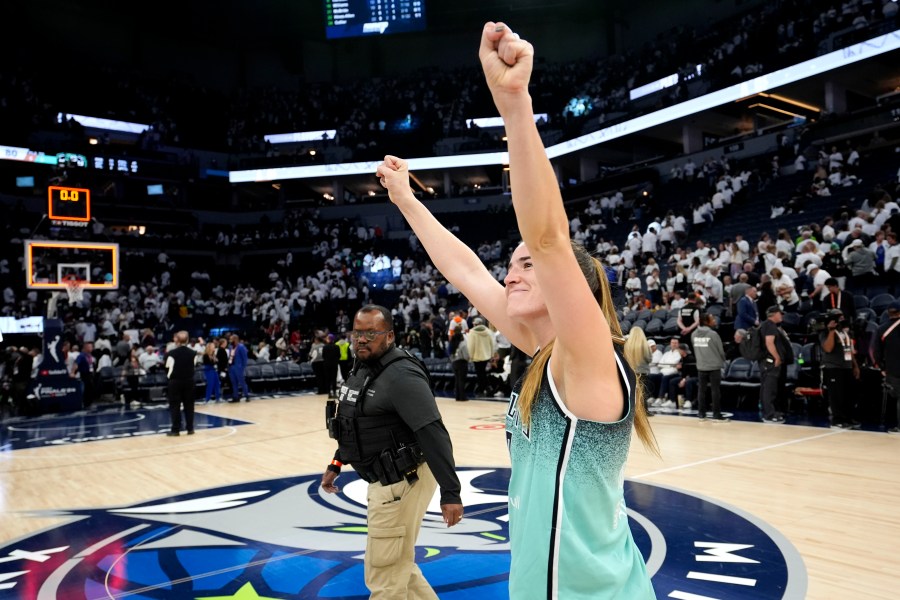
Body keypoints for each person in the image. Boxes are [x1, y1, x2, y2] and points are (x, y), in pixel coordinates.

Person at [376, 22, 657, 598]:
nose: (512, 270)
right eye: (513, 262)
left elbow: (550, 236)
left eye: (527, 265)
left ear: (569, 286)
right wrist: (405, 199)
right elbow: (464, 270)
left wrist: (514, 105)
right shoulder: (543, 354)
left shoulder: (589, 363)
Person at [320, 305, 463, 598]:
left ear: (389, 336)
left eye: (370, 333)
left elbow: (433, 432)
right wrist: (337, 462)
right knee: (398, 565)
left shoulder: (401, 375)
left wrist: (451, 492)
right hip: (386, 479)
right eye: (357, 333)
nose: (361, 339)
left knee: (384, 575)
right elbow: (354, 424)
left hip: (400, 482)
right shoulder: (362, 366)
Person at [819, 308, 860, 429]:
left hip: (846, 367)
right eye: (838, 317)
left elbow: (849, 350)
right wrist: (831, 330)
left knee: (848, 394)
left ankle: (847, 418)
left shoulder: (845, 332)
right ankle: (837, 420)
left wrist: (855, 365)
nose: (842, 318)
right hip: (833, 367)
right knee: (836, 395)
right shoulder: (824, 333)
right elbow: (828, 348)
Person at [759, 306, 793, 423]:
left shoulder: (767, 325)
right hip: (770, 361)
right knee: (770, 388)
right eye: (780, 313)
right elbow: (769, 343)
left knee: (769, 387)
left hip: (767, 361)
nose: (781, 316)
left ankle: (769, 412)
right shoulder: (769, 325)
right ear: (773, 314)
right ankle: (769, 414)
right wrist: (777, 357)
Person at [691, 314, 728, 421]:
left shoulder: (693, 334)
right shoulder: (713, 334)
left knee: (701, 390)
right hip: (714, 366)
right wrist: (723, 359)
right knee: (715, 390)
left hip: (701, 366)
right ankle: (716, 414)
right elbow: (721, 351)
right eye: (712, 319)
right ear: (706, 322)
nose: (715, 320)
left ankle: (701, 414)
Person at [872, 301, 900, 433]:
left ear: (888, 314)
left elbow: (875, 351)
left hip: (893, 369)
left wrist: (882, 368)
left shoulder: (881, 329)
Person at [165, 331, 197, 436]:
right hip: (189, 381)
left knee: (175, 406)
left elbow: (167, 367)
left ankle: (175, 430)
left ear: (177, 340)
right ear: (187, 340)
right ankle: (190, 428)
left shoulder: (171, 353)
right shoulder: (193, 353)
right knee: (189, 405)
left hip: (175, 382)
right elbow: (194, 365)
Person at [465, 317, 495, 396]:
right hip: (486, 356)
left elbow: (471, 346)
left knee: (480, 374)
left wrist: (470, 356)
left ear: (475, 324)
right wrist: (491, 354)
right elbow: (492, 344)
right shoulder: (488, 331)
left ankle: (484, 389)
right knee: (483, 373)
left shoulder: (472, 332)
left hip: (476, 357)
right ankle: (486, 388)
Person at [228, 334, 250, 402]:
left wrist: (243, 367)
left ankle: (247, 395)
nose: (230, 341)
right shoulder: (230, 347)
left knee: (242, 382)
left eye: (231, 339)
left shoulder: (241, 346)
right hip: (231, 367)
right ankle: (235, 397)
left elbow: (245, 358)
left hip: (239, 367)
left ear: (235, 339)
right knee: (234, 383)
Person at [449, 331, 470, 401]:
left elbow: (450, 355)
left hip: (454, 363)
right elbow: (466, 355)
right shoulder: (463, 344)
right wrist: (468, 359)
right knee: (462, 380)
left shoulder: (452, 343)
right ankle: (462, 397)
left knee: (457, 380)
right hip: (462, 363)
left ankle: (457, 396)